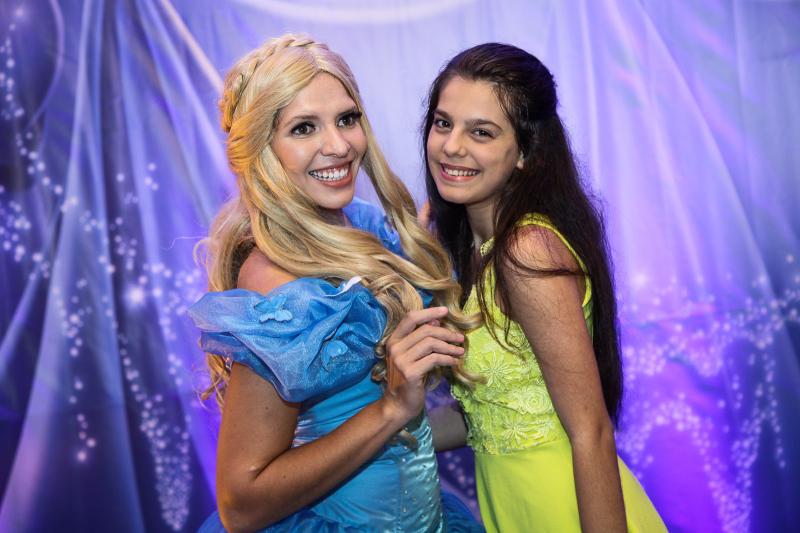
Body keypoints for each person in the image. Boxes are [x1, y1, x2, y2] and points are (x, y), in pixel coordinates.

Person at [189, 34, 483, 532]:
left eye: (346, 119)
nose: (339, 145)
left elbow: (374, 423)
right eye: (304, 128)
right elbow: (242, 505)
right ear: (262, 149)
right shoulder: (279, 286)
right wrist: (392, 408)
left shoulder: (364, 227)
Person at [422, 43, 667, 532]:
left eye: (481, 132)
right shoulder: (475, 249)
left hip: (566, 509)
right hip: (515, 507)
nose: (451, 146)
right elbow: (491, 417)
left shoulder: (527, 249)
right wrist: (377, 434)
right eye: (443, 123)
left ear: (525, 153)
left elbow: (590, 431)